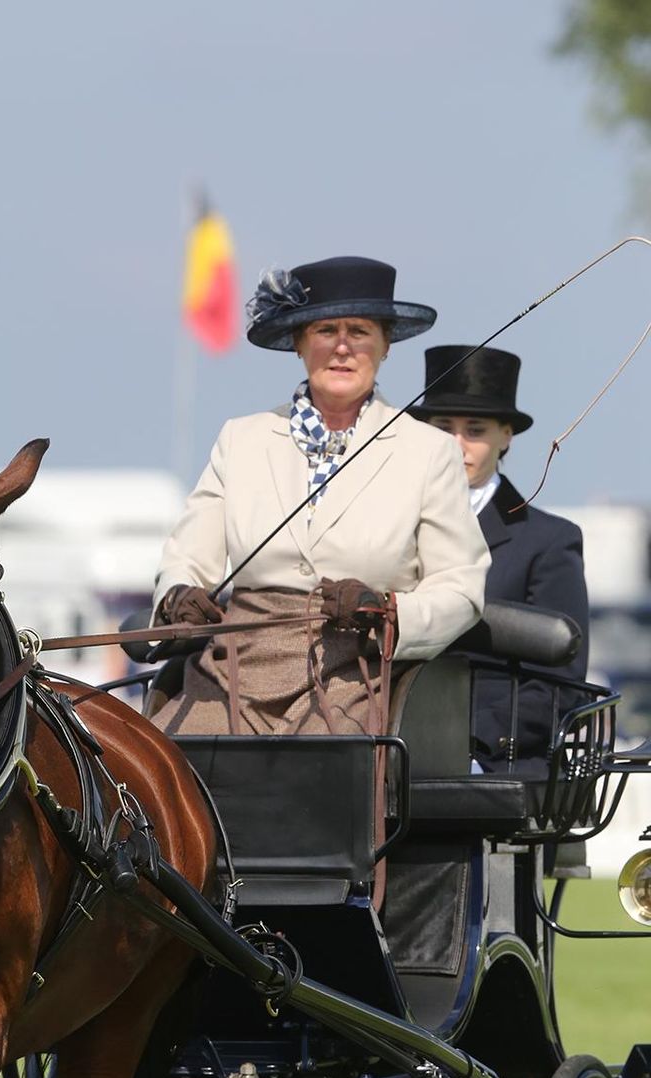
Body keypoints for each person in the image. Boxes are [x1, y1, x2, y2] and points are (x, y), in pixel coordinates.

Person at [150, 255, 490, 737]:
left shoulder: (428, 451)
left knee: (322, 774)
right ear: (298, 342)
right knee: (159, 766)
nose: (343, 348)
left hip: (353, 671)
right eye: (326, 330)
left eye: (361, 331)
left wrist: (388, 612)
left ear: (386, 345)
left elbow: (460, 587)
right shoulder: (241, 438)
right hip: (230, 667)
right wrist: (179, 597)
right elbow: (186, 559)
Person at [409, 345, 588, 773]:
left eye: (475, 430)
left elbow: (560, 685)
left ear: (505, 435)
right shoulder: (386, 529)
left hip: (497, 760)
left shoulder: (549, 540)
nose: (456, 445)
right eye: (442, 427)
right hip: (392, 745)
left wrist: (464, 742)